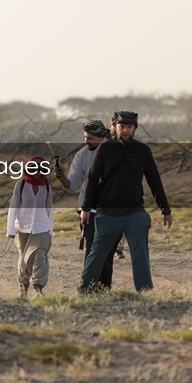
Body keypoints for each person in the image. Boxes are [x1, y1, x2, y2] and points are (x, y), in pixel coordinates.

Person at [79, 111, 173, 293]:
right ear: (115, 127)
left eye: (129, 127)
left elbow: (154, 180)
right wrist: (86, 208)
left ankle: (144, 290)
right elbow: (92, 179)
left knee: (140, 253)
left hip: (134, 212)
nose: (125, 131)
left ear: (135, 128)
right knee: (97, 254)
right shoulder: (105, 149)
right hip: (107, 212)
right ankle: (85, 290)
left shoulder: (142, 151)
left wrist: (165, 209)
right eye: (122, 127)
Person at [54, 120, 116, 290]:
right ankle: (88, 287)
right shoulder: (82, 155)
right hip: (88, 209)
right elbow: (72, 186)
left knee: (108, 251)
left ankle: (104, 288)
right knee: (91, 248)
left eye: (90, 138)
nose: (86, 141)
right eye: (85, 137)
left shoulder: (115, 151)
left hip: (111, 209)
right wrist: (62, 178)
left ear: (102, 137)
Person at [6, 156, 55, 297]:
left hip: (42, 227)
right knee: (24, 258)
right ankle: (24, 285)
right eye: (34, 167)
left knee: (40, 254)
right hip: (22, 227)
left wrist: (50, 231)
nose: (37, 171)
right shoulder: (20, 185)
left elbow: (49, 209)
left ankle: (38, 286)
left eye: (41, 168)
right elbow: (13, 208)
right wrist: (10, 229)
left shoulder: (46, 186)